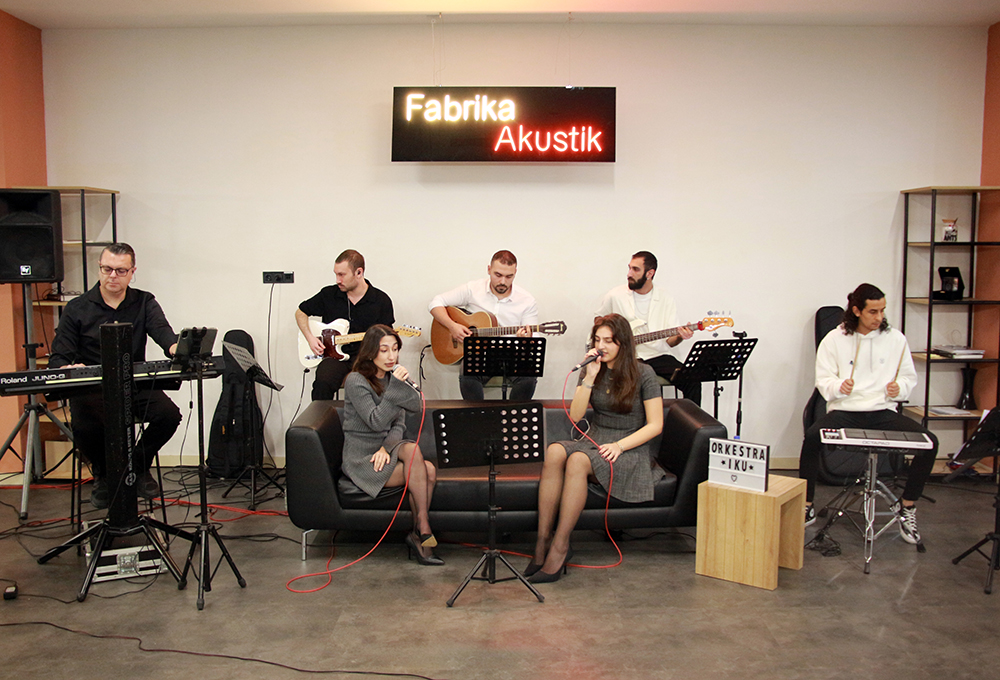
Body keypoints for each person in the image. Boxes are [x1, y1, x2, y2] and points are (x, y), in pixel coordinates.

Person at [526, 314, 664, 583]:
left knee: (578, 460)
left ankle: (560, 546)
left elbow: (655, 425)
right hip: (597, 437)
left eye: (609, 341)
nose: (601, 346)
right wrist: (589, 377)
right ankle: (542, 541)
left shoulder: (644, 373)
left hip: (629, 445)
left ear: (623, 343)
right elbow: (576, 416)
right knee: (555, 451)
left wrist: (619, 446)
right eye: (597, 340)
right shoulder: (592, 367)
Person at [799, 283, 937, 544]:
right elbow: (823, 379)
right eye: (873, 311)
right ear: (856, 311)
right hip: (845, 410)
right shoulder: (834, 339)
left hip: (882, 411)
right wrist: (839, 386)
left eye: (882, 311)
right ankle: (806, 504)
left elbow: (908, 377)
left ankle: (907, 506)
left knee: (930, 443)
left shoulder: (896, 339)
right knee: (812, 437)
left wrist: (899, 388)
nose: (879, 317)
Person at [48, 243, 181, 509]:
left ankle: (137, 466)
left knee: (168, 415)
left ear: (132, 272)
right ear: (99, 268)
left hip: (134, 383)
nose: (113, 276)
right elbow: (59, 357)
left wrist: (177, 347)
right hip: (92, 386)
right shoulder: (77, 308)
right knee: (85, 425)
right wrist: (66, 367)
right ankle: (105, 474)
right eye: (107, 269)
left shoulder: (144, 301)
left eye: (121, 271)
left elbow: (163, 333)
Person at [341, 325, 442, 565]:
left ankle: (421, 527)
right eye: (384, 350)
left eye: (395, 349)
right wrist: (396, 388)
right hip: (362, 457)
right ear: (370, 352)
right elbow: (375, 420)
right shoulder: (356, 380)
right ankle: (421, 531)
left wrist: (386, 448)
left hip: (385, 451)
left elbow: (407, 414)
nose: (391, 356)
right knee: (426, 469)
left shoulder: (392, 378)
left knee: (417, 455)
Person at [428, 250, 538, 401]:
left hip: (511, 354)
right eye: (498, 275)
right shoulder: (473, 289)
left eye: (509, 276)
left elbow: (534, 339)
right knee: (468, 371)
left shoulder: (526, 300)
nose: (503, 281)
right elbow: (435, 303)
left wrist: (525, 340)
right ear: (489, 269)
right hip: (480, 354)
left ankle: (514, 412)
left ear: (515, 273)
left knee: (529, 376)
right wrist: (453, 326)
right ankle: (476, 413)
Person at [595, 251, 702, 405]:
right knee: (641, 379)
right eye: (629, 268)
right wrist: (614, 337)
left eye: (635, 269)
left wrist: (680, 336)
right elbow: (598, 321)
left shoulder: (665, 298)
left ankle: (691, 419)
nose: (629, 274)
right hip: (627, 356)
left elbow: (670, 342)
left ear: (650, 273)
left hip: (657, 355)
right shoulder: (615, 295)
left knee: (692, 379)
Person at [296, 249, 394, 400]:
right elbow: (300, 312)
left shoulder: (381, 300)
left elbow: (388, 338)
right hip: (334, 358)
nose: (337, 280)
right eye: (336, 274)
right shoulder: (329, 295)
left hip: (367, 358)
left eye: (342, 275)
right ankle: (321, 415)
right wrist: (310, 338)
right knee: (323, 382)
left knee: (373, 384)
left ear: (359, 272)